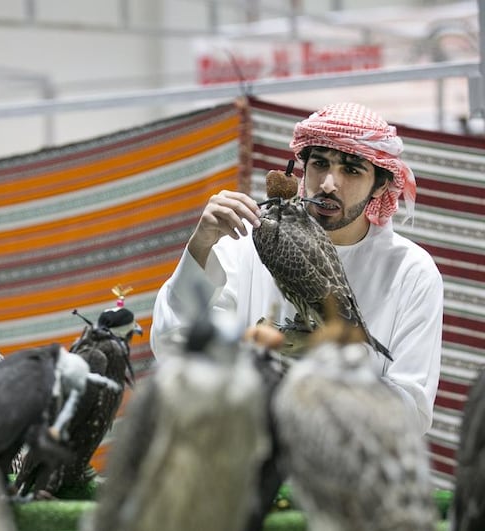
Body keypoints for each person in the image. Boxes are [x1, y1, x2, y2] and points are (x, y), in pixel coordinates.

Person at [150, 102, 443, 434]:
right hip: (248, 463)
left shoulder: (410, 272)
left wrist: (332, 374)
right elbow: (172, 345)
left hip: (341, 475)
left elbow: (412, 412)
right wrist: (201, 245)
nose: (330, 184)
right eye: (319, 164)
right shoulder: (245, 241)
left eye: (351, 170)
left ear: (379, 185)